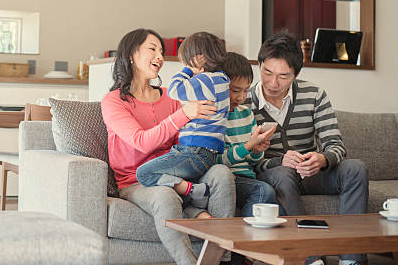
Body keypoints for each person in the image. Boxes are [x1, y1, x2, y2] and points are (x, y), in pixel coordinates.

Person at [101, 28, 235, 265]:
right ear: (131, 55)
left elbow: (182, 141)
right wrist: (183, 114)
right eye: (152, 49)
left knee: (221, 174)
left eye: (162, 51)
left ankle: (221, 259)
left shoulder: (170, 97)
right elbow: (141, 143)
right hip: (137, 180)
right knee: (164, 195)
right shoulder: (113, 101)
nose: (160, 57)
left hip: (175, 167)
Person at [246, 31, 368, 265]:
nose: (273, 83)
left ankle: (352, 259)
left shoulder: (314, 95)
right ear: (259, 66)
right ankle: (312, 259)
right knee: (283, 172)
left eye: (283, 76)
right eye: (267, 72)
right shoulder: (244, 101)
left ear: (296, 74)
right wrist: (278, 161)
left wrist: (322, 159)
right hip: (274, 173)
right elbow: (245, 157)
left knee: (356, 168)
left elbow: (336, 146)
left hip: (312, 174)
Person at [135, 32, 230, 208]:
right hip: (208, 152)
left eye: (185, 62)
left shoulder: (205, 80)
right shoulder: (222, 80)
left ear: (199, 59)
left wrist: (188, 70)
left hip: (194, 150)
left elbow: (174, 90)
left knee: (144, 173)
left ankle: (194, 191)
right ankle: (195, 195)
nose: (184, 66)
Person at [219, 52, 284, 217]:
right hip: (228, 178)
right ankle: (243, 239)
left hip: (248, 176)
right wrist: (248, 145)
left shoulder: (246, 114)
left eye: (246, 90)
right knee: (263, 191)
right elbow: (220, 160)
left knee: (281, 210)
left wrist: (256, 150)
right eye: (234, 90)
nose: (241, 97)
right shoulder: (213, 117)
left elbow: (254, 161)